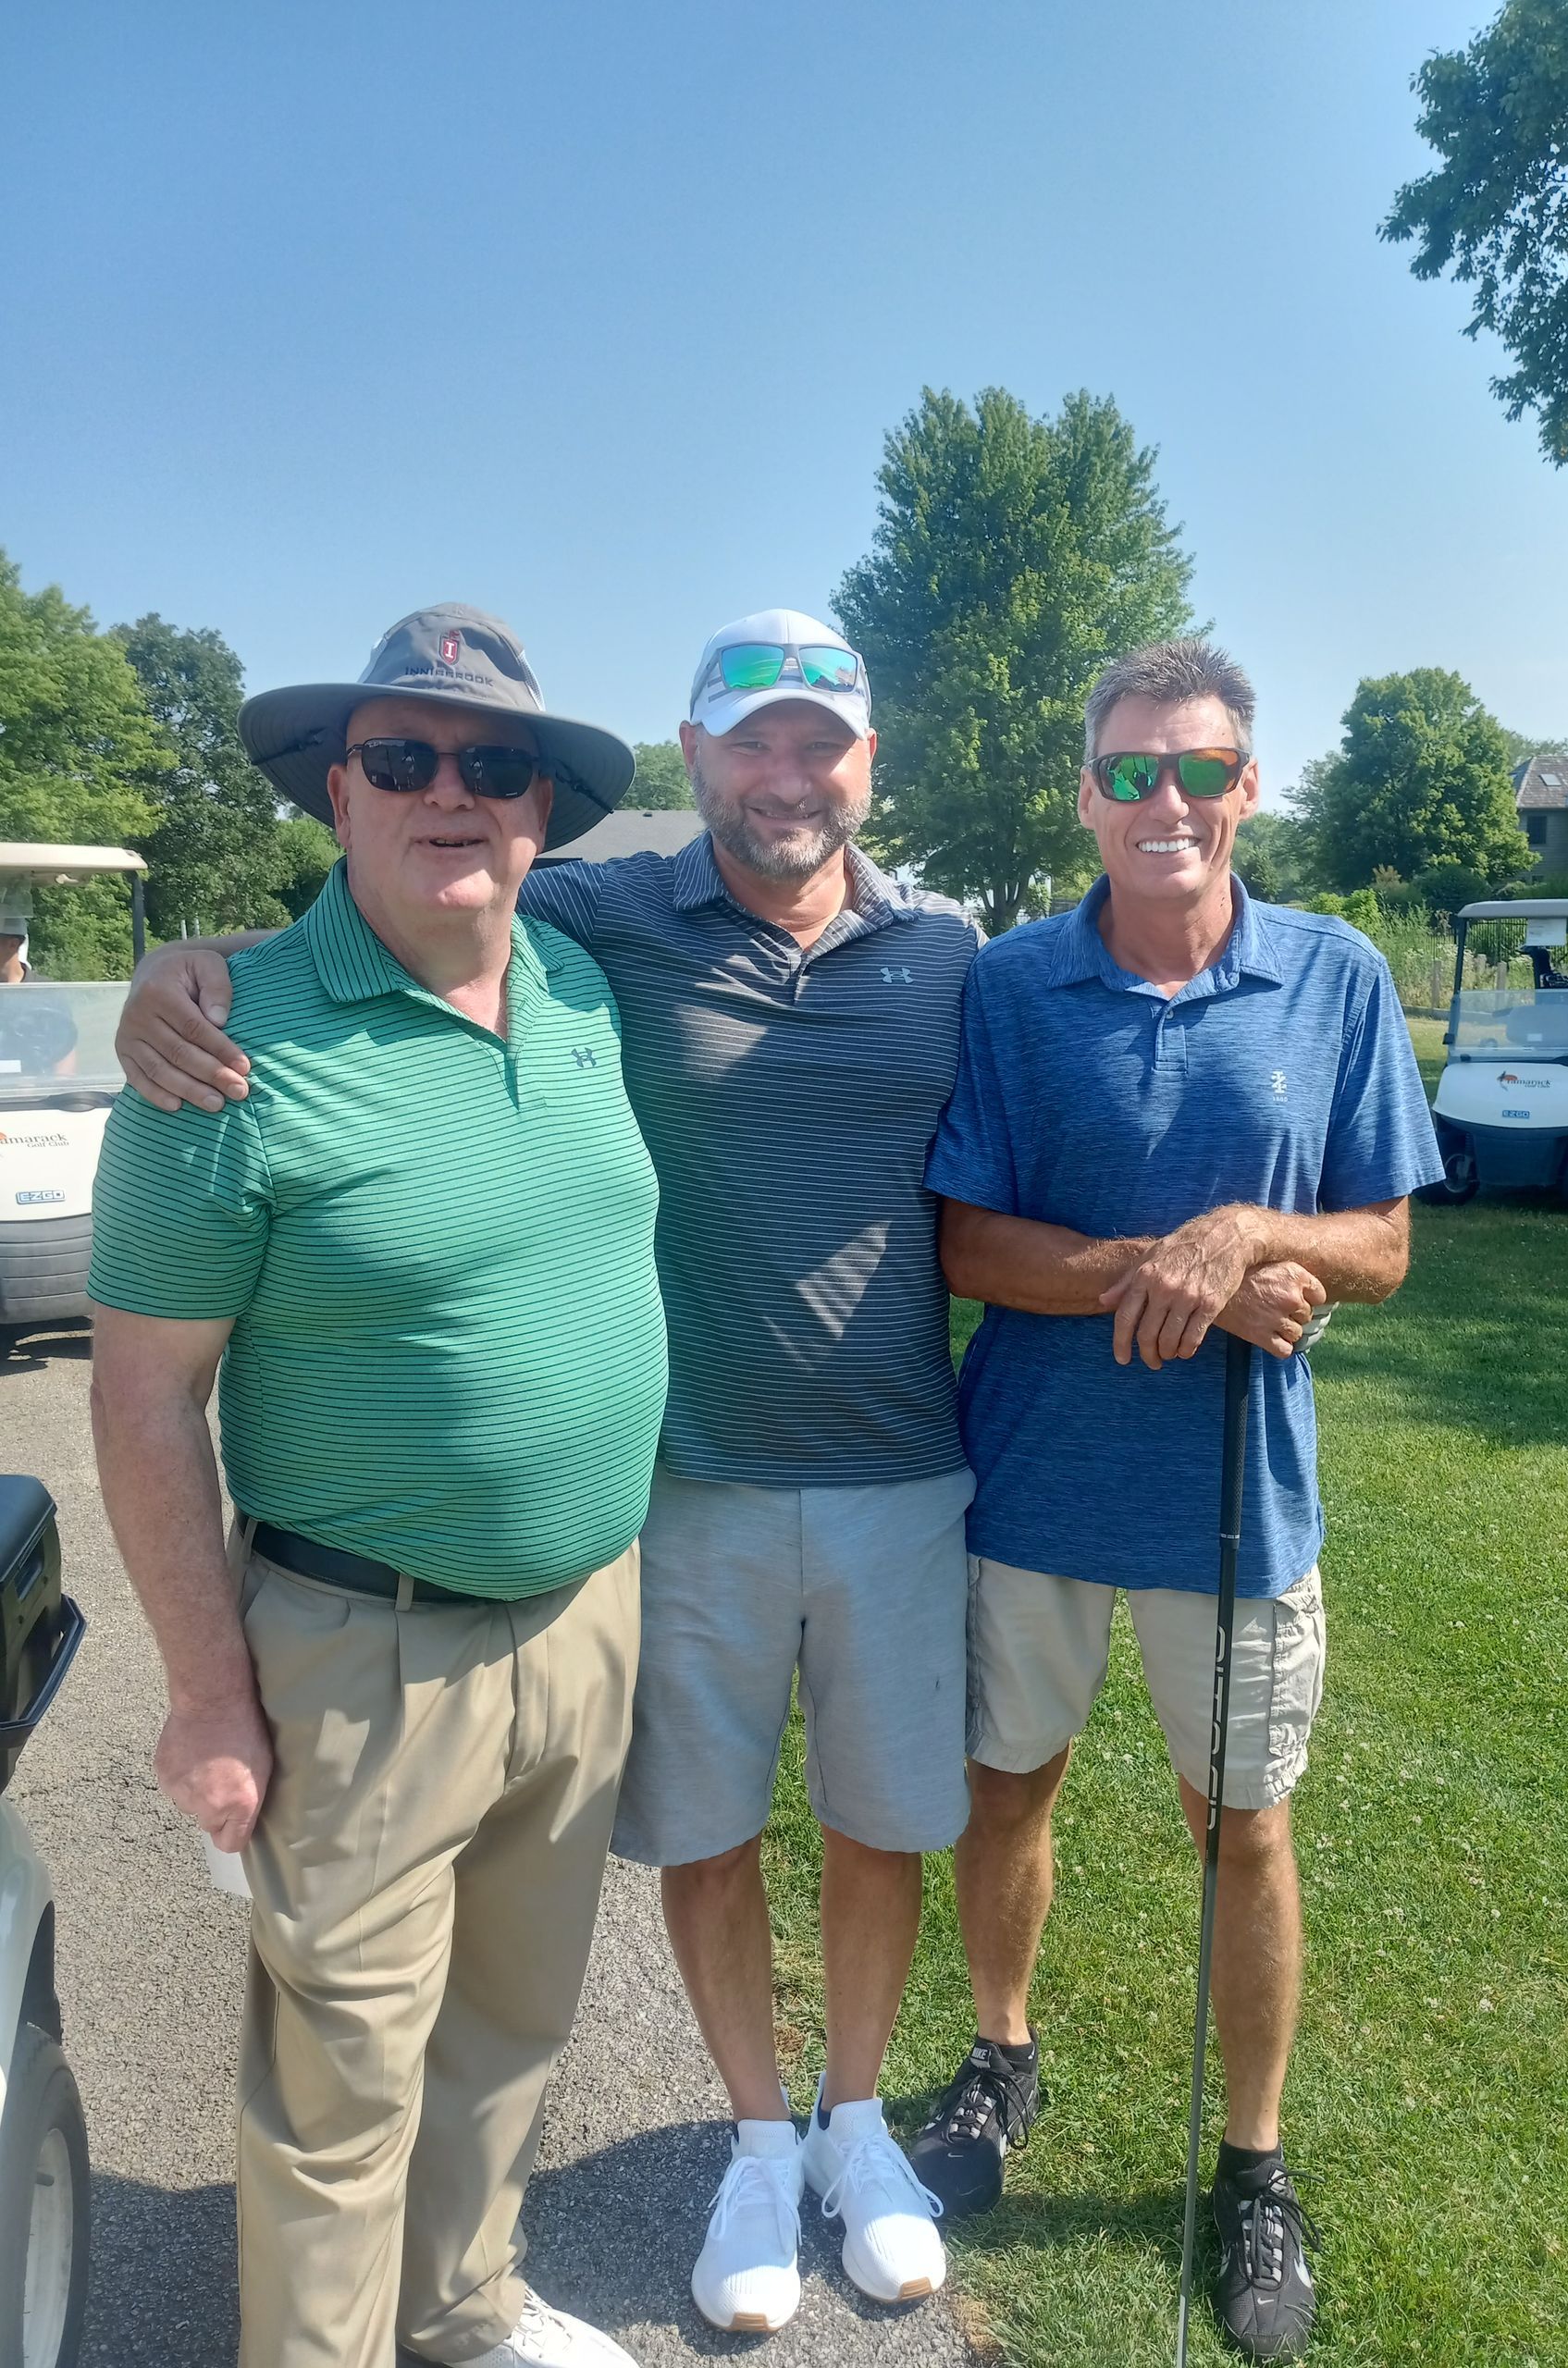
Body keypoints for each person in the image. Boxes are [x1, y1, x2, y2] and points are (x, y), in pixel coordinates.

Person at [117, 608, 1326, 2342]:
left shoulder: (952, 954)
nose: (785, 774)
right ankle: (759, 2146)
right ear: (694, 757)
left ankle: (854, 2128)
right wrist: (193, 962)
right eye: (751, 740)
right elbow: (415, 902)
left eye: (819, 742)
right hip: (685, 1484)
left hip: (903, 1471)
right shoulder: (609, 917)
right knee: (710, 1834)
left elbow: (1042, 1147)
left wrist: (1248, 1244)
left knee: (879, 1825)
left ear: (866, 764)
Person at [90, 606, 668, 2368]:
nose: (450, 792)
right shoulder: (224, 1047)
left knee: (510, 2030)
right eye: (402, 758)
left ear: (543, 810)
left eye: (494, 764)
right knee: (341, 2093)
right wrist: (208, 1695)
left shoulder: (580, 985)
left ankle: (464, 2307)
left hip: (586, 1619)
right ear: (337, 792)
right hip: (364, 1655)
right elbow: (144, 1395)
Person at [914, 638, 1443, 2363]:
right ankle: (1001, 2057)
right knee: (1009, 1791)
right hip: (1034, 1487)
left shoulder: (1336, 974)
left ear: (1247, 787)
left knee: (1246, 1829)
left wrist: (1256, 1233)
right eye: (1132, 771)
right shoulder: (1011, 986)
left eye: (1200, 769)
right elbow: (967, 1243)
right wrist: (1191, 1276)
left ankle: (1255, 2166)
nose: (1167, 800)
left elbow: (1382, 1244)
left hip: (1238, 1504)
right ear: (1086, 794)